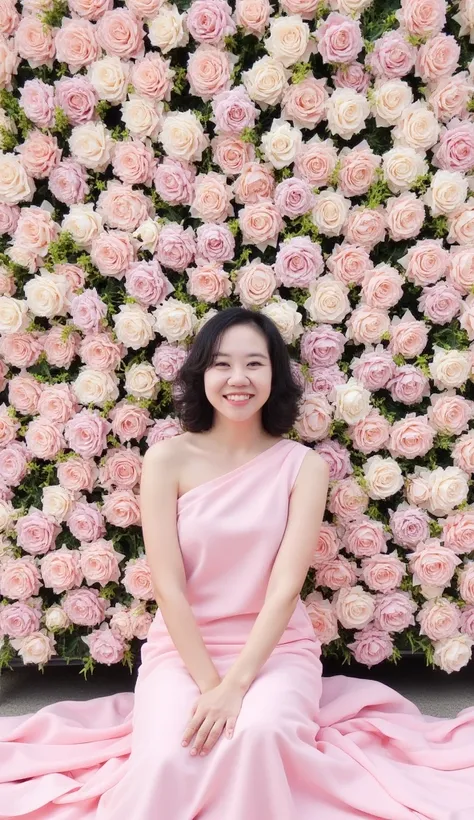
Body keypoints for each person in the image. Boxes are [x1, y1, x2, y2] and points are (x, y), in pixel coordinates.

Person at [2, 306, 474, 820]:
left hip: (274, 650)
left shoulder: (303, 466)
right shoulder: (168, 459)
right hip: (183, 649)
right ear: (202, 372)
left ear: (275, 374)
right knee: (166, 757)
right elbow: (169, 586)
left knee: (258, 736)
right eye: (222, 364)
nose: (238, 379)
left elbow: (284, 588)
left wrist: (238, 687)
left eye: (255, 364)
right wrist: (212, 687)